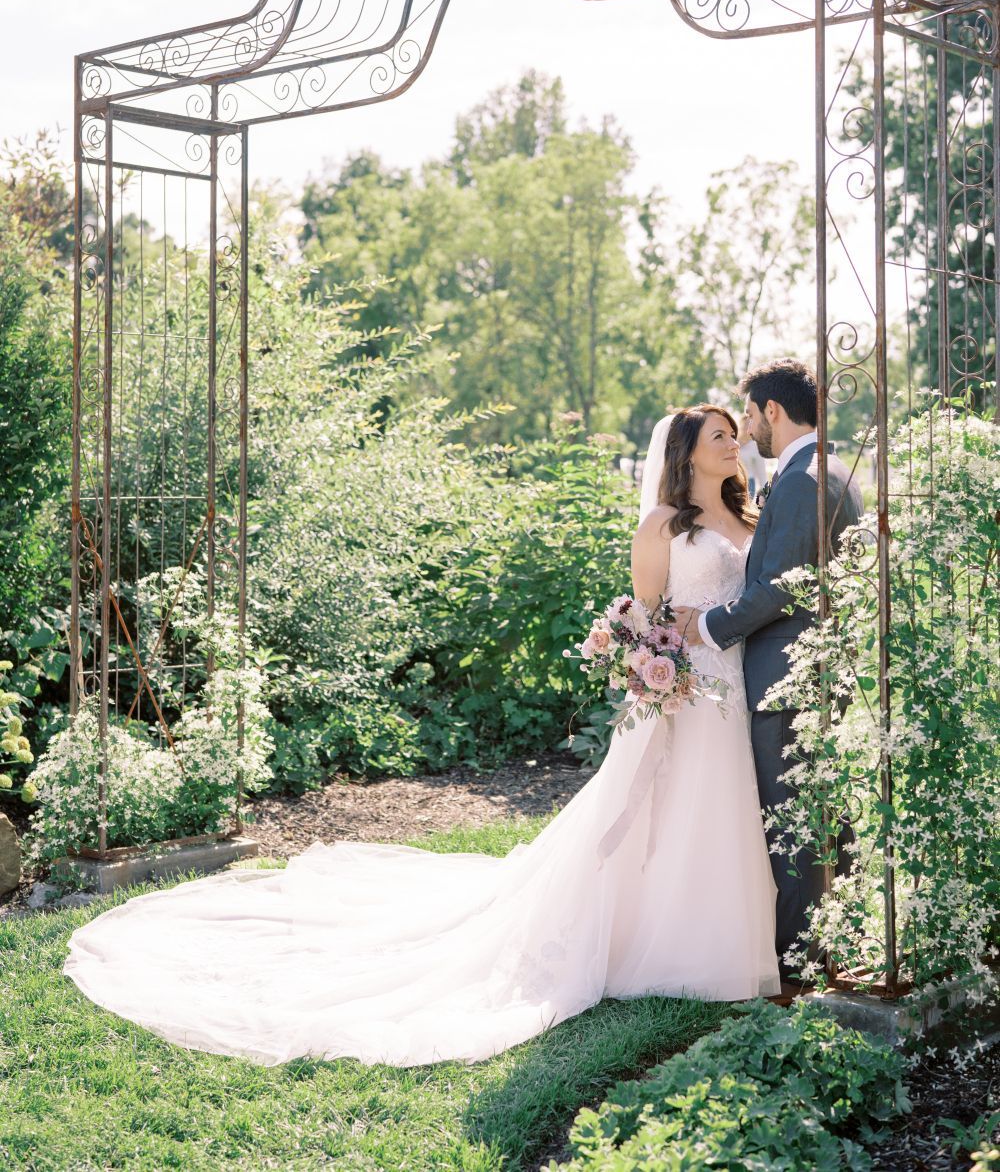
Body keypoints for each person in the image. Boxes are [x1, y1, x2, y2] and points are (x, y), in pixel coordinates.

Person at [63, 405, 780, 1068]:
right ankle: (665, 947)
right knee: (661, 811)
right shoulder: (662, 524)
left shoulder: (754, 516)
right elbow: (644, 616)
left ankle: (717, 936)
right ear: (685, 454)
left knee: (717, 808)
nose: (732, 439)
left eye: (732, 431)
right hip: (685, 690)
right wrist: (654, 670)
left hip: (736, 682)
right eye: (717, 433)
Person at [673, 358, 862, 984]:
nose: (747, 427)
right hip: (805, 671)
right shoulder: (823, 469)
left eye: (749, 415)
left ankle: (800, 963)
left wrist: (700, 627)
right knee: (813, 816)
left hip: (788, 676)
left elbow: (780, 589)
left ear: (772, 412)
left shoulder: (805, 477)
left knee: (793, 824)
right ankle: (834, 940)